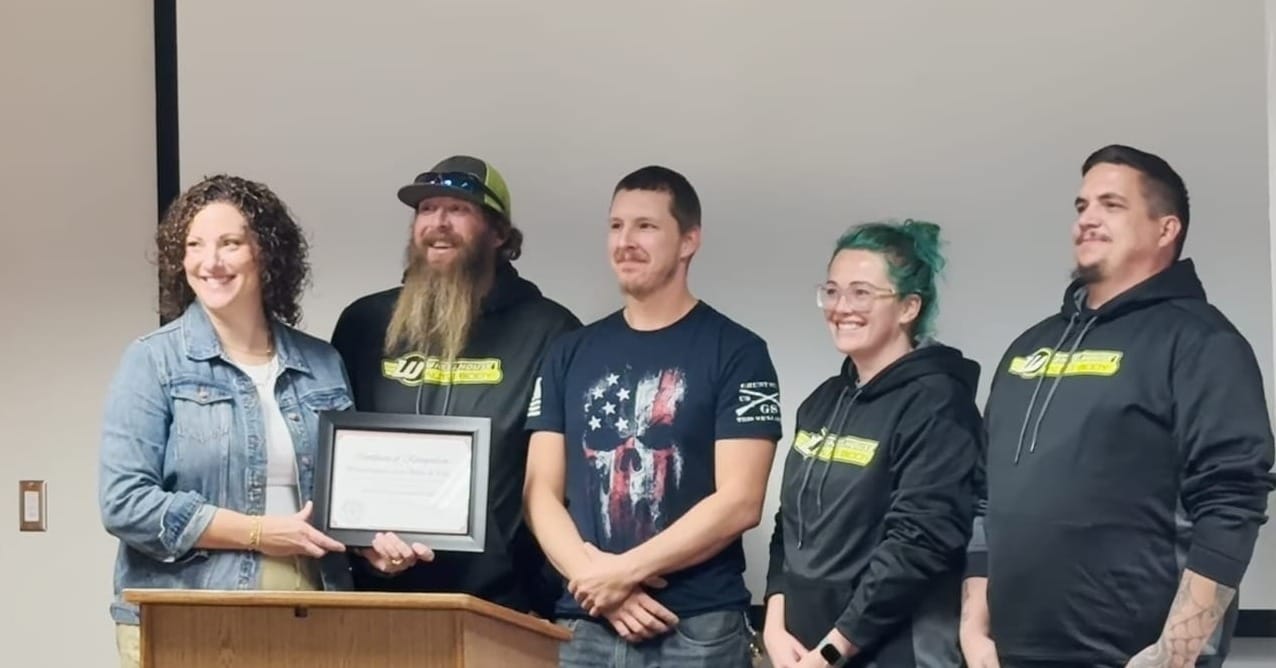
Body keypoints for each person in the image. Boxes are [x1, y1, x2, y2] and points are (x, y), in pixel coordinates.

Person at [960, 144, 1276, 668]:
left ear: (1165, 229)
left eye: (1111, 204)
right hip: (1008, 655)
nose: (1087, 218)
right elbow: (984, 499)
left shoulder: (1202, 343)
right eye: (1082, 206)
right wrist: (974, 628)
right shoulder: (1028, 350)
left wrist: (1175, 654)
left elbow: (1232, 502)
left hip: (1135, 658)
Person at [523, 165, 782, 667]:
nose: (625, 241)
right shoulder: (568, 353)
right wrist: (598, 583)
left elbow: (741, 501)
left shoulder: (738, 352)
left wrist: (621, 574)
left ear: (689, 240)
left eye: (645, 226)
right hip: (585, 624)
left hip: (696, 627)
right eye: (616, 226)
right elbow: (539, 492)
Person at [99, 174, 355, 668]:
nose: (208, 262)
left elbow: (348, 496)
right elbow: (125, 504)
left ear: (267, 254)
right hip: (187, 620)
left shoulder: (322, 363)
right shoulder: (153, 361)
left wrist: (378, 543)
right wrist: (259, 532)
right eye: (194, 245)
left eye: (229, 244)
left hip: (318, 617)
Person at [329, 155, 581, 616]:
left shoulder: (550, 331)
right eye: (426, 209)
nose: (438, 224)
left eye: (459, 209)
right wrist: (362, 547)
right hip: (377, 604)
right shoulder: (364, 324)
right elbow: (336, 458)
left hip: (502, 610)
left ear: (499, 232)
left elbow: (567, 482)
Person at [763, 220, 981, 668]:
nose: (841, 307)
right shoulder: (821, 403)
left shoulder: (938, 404)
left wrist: (833, 649)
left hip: (893, 652)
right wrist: (774, 622)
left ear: (908, 307)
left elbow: (920, 543)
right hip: (802, 650)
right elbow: (788, 525)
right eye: (832, 291)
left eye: (861, 293)